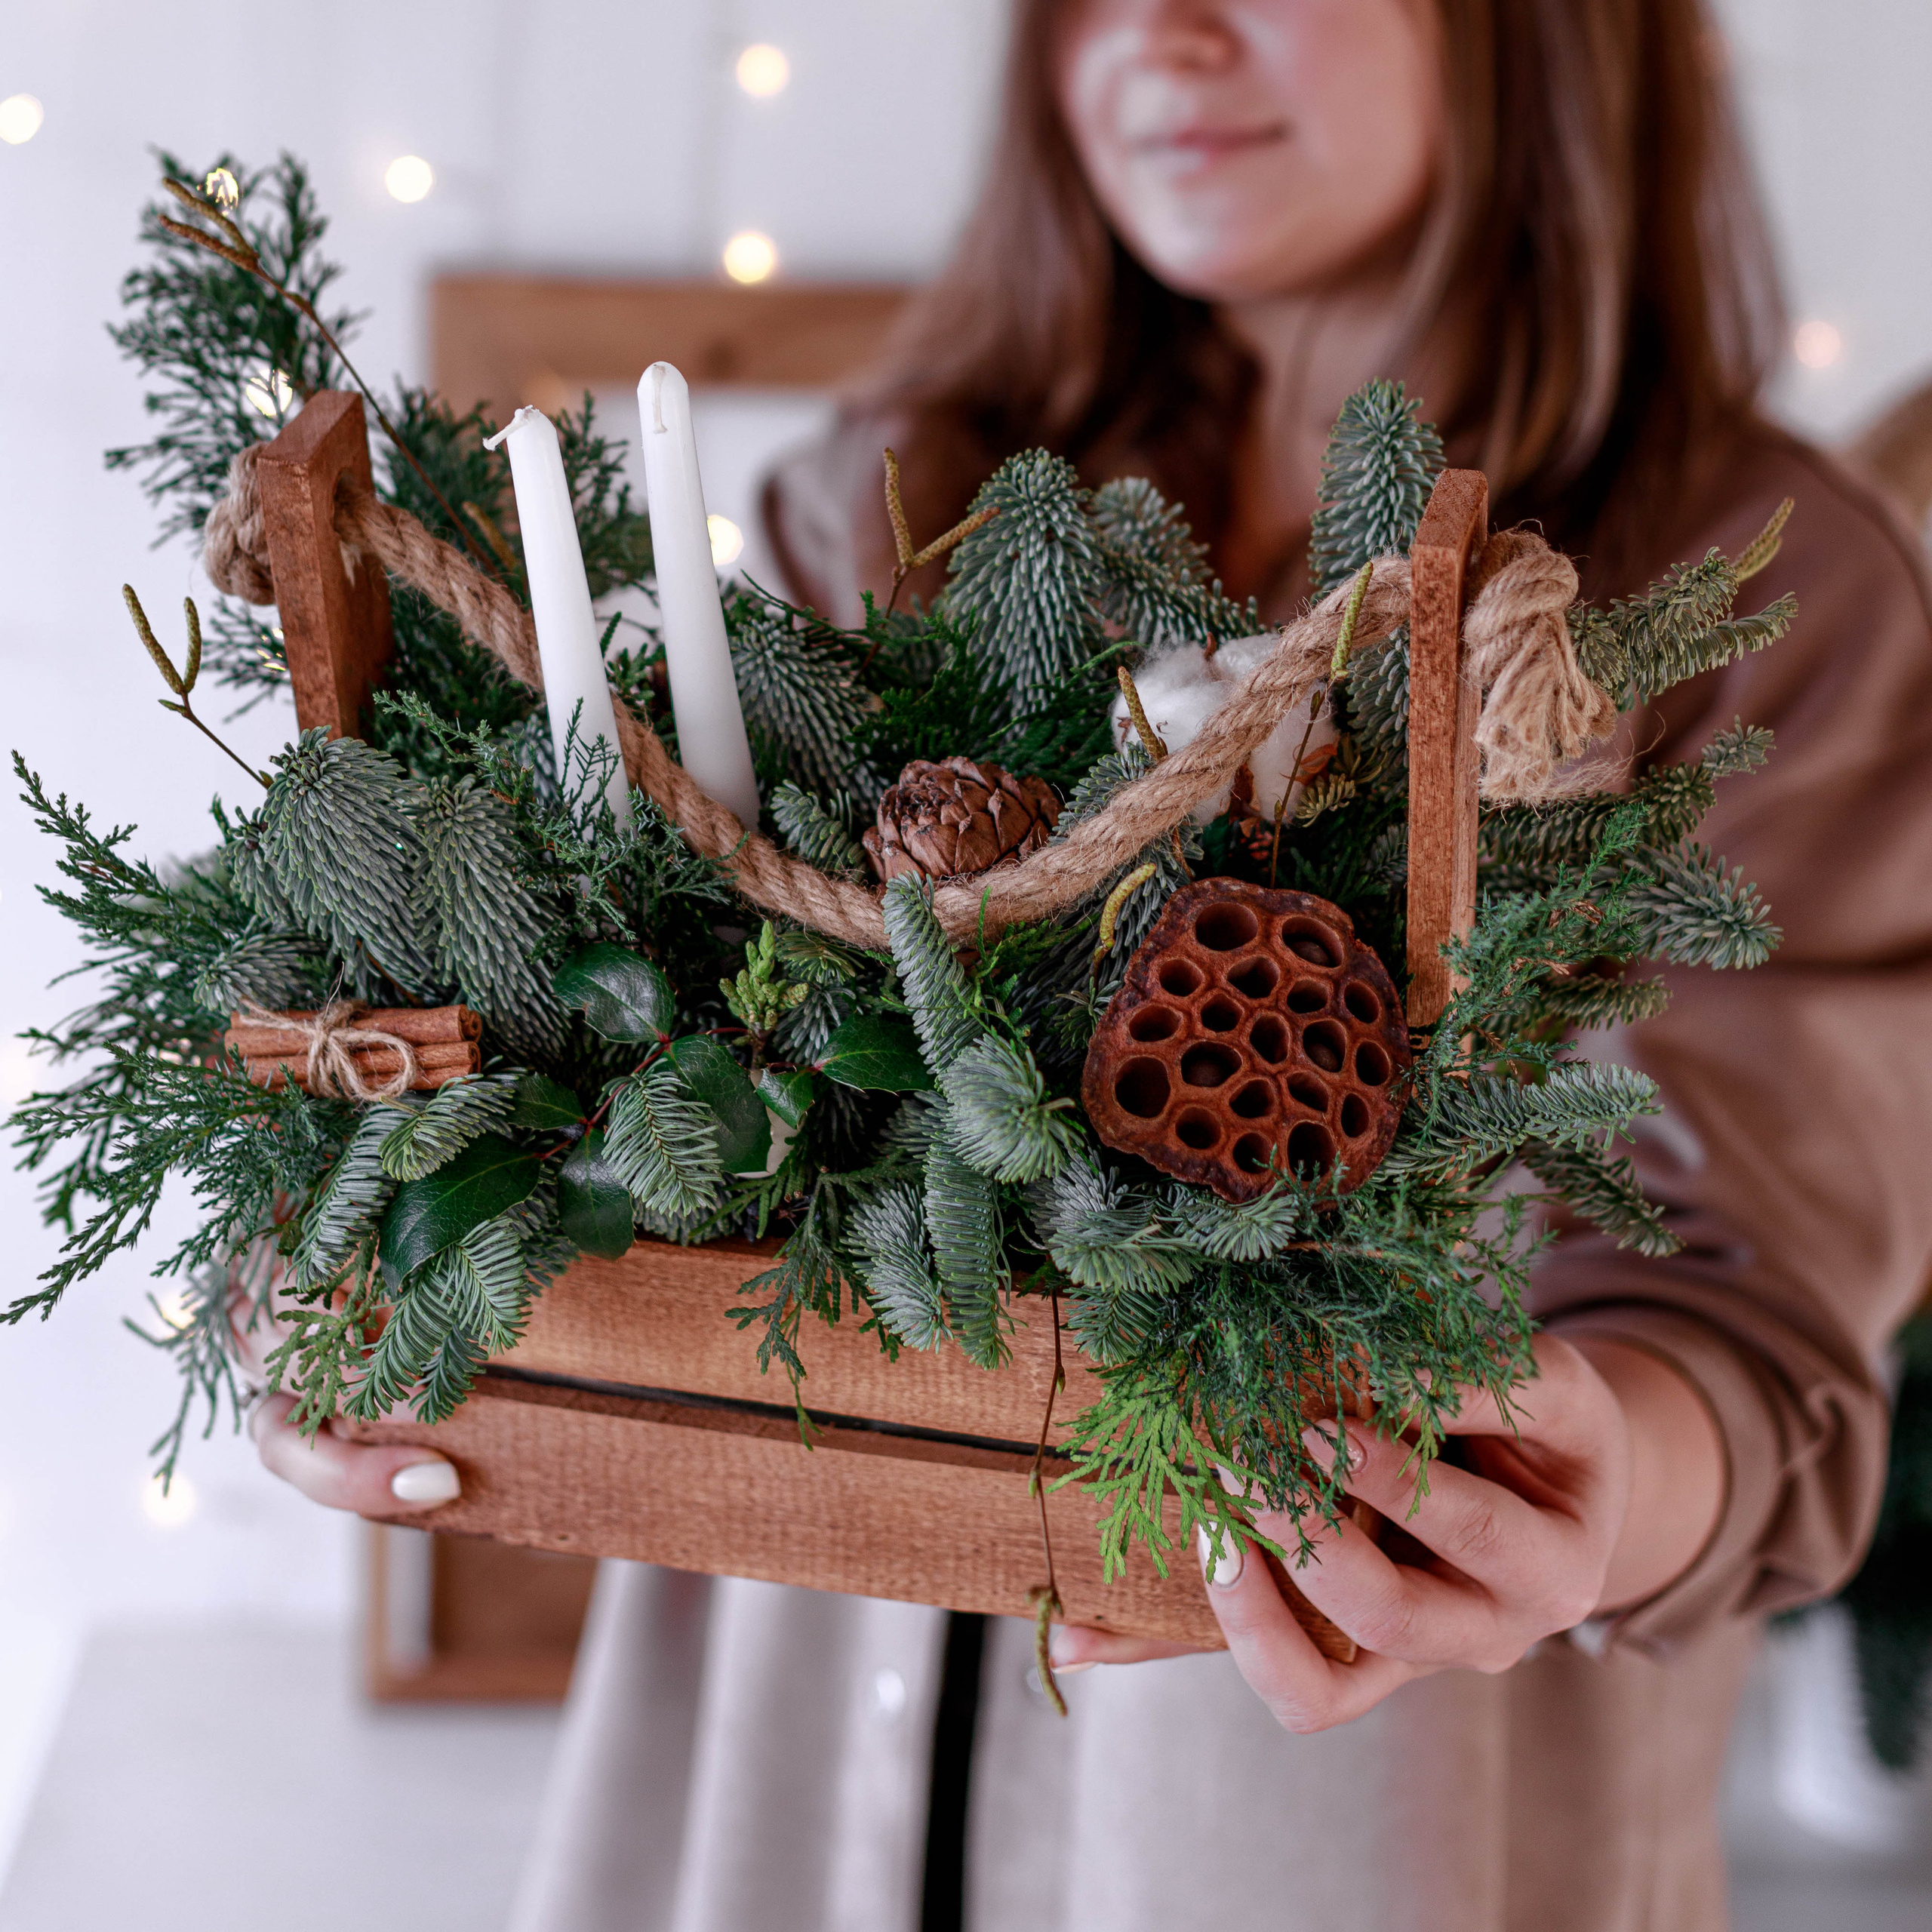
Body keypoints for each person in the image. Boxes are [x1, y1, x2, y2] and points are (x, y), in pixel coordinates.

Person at [248, 2, 1932, 1927]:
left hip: (1338, 1836)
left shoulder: (1750, 600)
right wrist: (360, 1233)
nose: (1162, 41)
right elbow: (658, 1050)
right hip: (783, 1793)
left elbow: (1757, 1333)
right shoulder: (900, 503)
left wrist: (1607, 1478)